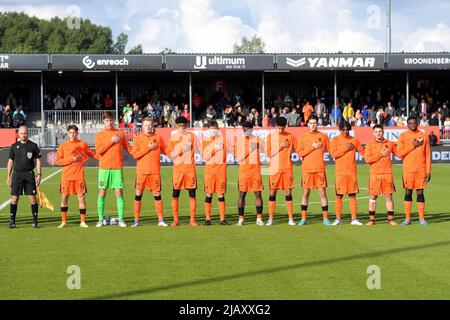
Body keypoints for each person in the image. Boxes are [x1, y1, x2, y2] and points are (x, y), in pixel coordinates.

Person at [94, 112, 132, 228]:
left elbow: (128, 148)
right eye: (106, 120)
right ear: (103, 122)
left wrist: (140, 153)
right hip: (104, 168)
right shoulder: (99, 135)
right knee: (102, 192)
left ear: (113, 121)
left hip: (117, 167)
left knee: (119, 192)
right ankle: (100, 219)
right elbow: (99, 151)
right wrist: (111, 141)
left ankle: (121, 219)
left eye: (111, 120)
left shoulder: (120, 133)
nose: (109, 122)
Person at [54, 125, 96, 228]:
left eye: (74, 133)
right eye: (70, 133)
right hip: (66, 177)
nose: (72, 135)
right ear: (68, 133)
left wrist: (105, 157)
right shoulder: (63, 145)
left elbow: (93, 154)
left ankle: (82, 221)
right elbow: (57, 161)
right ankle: (64, 221)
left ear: (77, 133)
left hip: (79, 176)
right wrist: (72, 160)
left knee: (81, 198)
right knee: (64, 198)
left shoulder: (82, 144)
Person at [131, 117, 168, 227]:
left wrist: (180, 149)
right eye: (146, 125)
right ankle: (136, 220)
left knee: (157, 194)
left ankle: (161, 220)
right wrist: (148, 148)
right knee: (138, 194)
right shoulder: (137, 138)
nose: (148, 127)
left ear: (153, 125)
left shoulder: (158, 138)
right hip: (141, 172)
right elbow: (135, 155)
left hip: (154, 172)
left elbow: (168, 151)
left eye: (149, 124)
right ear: (142, 126)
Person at [397, 117, 431, 226]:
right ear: (407, 124)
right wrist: (413, 145)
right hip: (408, 170)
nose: (413, 125)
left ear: (418, 123)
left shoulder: (424, 135)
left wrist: (428, 171)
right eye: (410, 123)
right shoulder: (403, 136)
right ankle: (407, 219)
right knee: (408, 192)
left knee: (420, 193)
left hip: (421, 170)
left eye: (414, 123)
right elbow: (399, 153)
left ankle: (422, 219)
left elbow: (428, 154)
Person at [297, 115, 331, 225]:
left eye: (314, 123)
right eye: (311, 123)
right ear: (307, 124)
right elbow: (299, 153)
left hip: (319, 169)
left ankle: (325, 218)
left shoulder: (323, 136)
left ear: (317, 124)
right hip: (307, 169)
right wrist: (312, 146)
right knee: (306, 192)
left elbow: (331, 150)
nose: (313, 125)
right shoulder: (303, 136)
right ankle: (303, 218)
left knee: (322, 192)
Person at [6, 126, 42, 228]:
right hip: (16, 174)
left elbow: (38, 160)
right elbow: (10, 162)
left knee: (32, 198)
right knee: (14, 198)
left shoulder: (33, 146)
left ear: (28, 134)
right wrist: (8, 176)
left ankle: (35, 221)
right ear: (18, 134)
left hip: (29, 174)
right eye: (22, 133)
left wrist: (39, 174)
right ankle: (12, 221)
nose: (23, 135)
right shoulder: (13, 146)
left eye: (25, 133)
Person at [329, 121, 365, 225]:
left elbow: (363, 153)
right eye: (343, 130)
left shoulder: (355, 140)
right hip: (340, 173)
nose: (345, 132)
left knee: (352, 195)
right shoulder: (335, 140)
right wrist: (346, 148)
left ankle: (354, 219)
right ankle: (338, 219)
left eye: (347, 130)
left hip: (351, 172)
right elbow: (334, 154)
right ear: (340, 130)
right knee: (339, 196)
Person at [266, 117, 298, 226]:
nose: (280, 130)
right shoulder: (270, 137)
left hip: (287, 168)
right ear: (275, 126)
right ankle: (270, 218)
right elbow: (268, 153)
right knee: (272, 192)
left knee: (288, 193)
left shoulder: (290, 136)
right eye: (279, 128)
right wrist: (280, 146)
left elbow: (299, 149)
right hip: (274, 169)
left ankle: (290, 218)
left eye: (282, 128)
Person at [166, 116, 198, 227]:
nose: (182, 128)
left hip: (190, 170)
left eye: (183, 126)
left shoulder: (192, 136)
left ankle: (192, 219)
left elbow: (202, 147)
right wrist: (181, 150)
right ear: (177, 126)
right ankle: (175, 220)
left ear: (186, 126)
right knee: (175, 194)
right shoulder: (173, 137)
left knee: (192, 195)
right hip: (178, 170)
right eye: (179, 126)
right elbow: (169, 153)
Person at [364, 125, 398, 225]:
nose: (378, 133)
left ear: (383, 132)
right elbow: (367, 159)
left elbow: (399, 153)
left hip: (387, 174)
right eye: (376, 132)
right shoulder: (369, 144)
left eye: (380, 131)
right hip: (375, 174)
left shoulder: (390, 143)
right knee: (373, 196)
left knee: (388, 196)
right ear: (373, 133)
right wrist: (380, 154)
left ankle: (390, 219)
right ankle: (372, 219)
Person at [234, 121, 264, 226]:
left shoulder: (258, 139)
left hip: (255, 171)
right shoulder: (239, 141)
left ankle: (259, 219)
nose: (246, 131)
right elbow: (239, 158)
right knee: (242, 195)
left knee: (258, 194)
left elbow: (268, 149)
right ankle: (241, 219)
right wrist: (250, 149)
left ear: (252, 129)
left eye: (248, 129)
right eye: (244, 129)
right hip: (244, 172)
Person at [201, 120, 229, 225]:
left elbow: (234, 149)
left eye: (215, 128)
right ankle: (207, 219)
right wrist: (215, 149)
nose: (213, 130)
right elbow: (205, 157)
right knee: (209, 194)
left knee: (220, 194)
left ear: (218, 129)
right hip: (209, 172)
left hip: (221, 171)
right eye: (211, 128)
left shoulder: (224, 140)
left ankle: (222, 219)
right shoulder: (205, 141)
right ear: (208, 130)